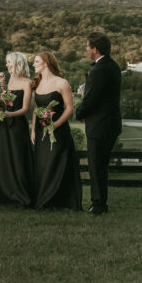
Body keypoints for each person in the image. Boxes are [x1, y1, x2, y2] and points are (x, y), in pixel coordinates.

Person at [75, 32, 122, 215]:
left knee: (95, 166)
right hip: (111, 123)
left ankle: (98, 205)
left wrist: (79, 112)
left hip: (99, 125)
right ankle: (102, 203)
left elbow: (91, 99)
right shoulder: (113, 66)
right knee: (101, 166)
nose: (86, 49)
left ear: (94, 49)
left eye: (88, 46)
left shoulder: (98, 70)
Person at [32, 52, 82, 210]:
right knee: (43, 164)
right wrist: (33, 130)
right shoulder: (37, 83)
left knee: (57, 163)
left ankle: (59, 201)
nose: (33, 64)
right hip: (41, 132)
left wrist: (55, 125)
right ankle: (43, 199)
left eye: (36, 61)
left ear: (46, 63)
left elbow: (69, 108)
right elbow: (36, 109)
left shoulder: (62, 83)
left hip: (59, 131)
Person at [0, 52, 34, 208]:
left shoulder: (27, 83)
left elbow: (25, 109)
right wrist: (2, 84)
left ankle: (20, 193)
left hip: (17, 125)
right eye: (6, 62)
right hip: (5, 126)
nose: (7, 65)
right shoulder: (10, 80)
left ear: (18, 63)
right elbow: (4, 101)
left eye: (9, 62)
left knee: (17, 157)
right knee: (5, 158)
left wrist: (9, 114)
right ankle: (6, 192)